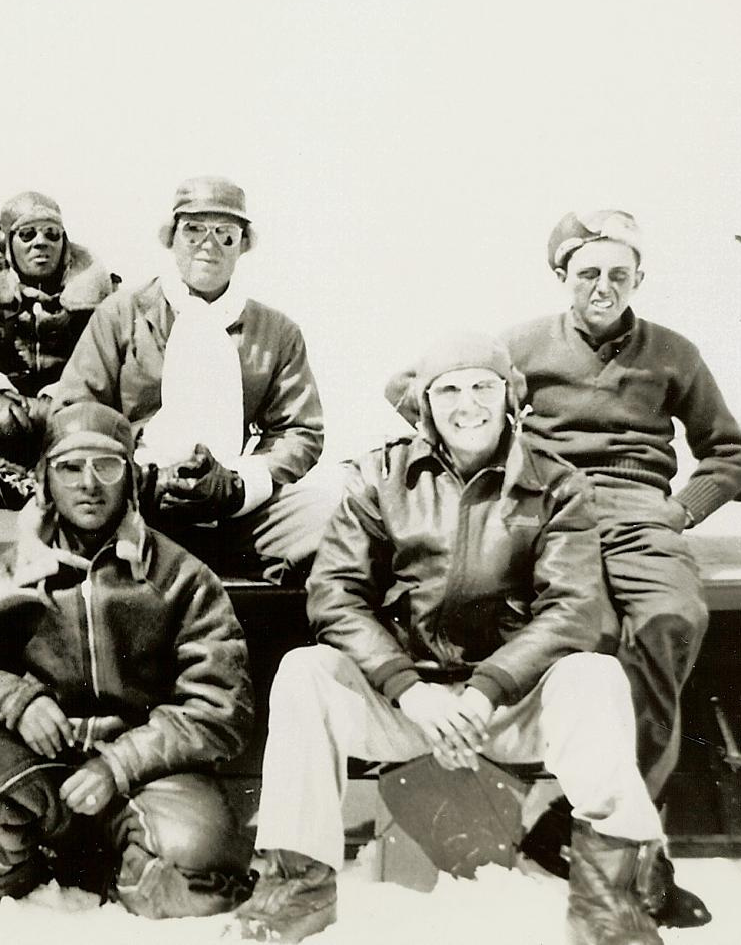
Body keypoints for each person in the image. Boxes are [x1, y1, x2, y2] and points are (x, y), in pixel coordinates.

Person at [236, 333, 669, 945]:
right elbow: (335, 595)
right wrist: (410, 690)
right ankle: (297, 888)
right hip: (409, 702)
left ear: (509, 396)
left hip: (511, 703)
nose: (467, 404)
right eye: (449, 390)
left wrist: (486, 691)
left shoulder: (558, 485)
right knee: (307, 672)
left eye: (482, 386)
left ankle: (606, 903)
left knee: (594, 675)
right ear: (425, 406)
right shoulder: (378, 478)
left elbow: (571, 607)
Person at [501, 210, 741, 926]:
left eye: (619, 273)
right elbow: (424, 386)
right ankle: (627, 851)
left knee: (672, 623)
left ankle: (601, 838)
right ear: (562, 279)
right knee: (591, 645)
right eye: (588, 274)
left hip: (642, 513)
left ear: (638, 278)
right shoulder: (518, 346)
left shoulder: (673, 352)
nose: (603, 286)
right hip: (552, 516)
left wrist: (680, 511)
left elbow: (729, 452)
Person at [0, 401, 255, 923]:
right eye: (70, 467)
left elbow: (221, 709)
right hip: (40, 776)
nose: (89, 484)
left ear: (132, 479)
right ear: (45, 480)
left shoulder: (182, 579)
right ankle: (11, 882)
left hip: (145, 781)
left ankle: (114, 882)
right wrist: (17, 700)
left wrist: (118, 765)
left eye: (107, 466)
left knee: (202, 874)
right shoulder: (7, 577)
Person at [52, 175, 337, 579]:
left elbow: (300, 431)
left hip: (234, 506)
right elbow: (75, 413)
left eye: (225, 234)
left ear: (243, 244)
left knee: (330, 521)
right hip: (136, 501)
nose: (209, 244)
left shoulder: (276, 331)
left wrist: (238, 485)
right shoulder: (122, 314)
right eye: (194, 230)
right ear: (171, 238)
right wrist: (142, 480)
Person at [0, 191, 118, 507]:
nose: (41, 243)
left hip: (74, 416)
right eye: (27, 234)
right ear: (7, 244)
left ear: (64, 243)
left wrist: (65, 392)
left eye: (51, 234)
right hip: (2, 428)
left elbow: (112, 360)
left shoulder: (103, 301)